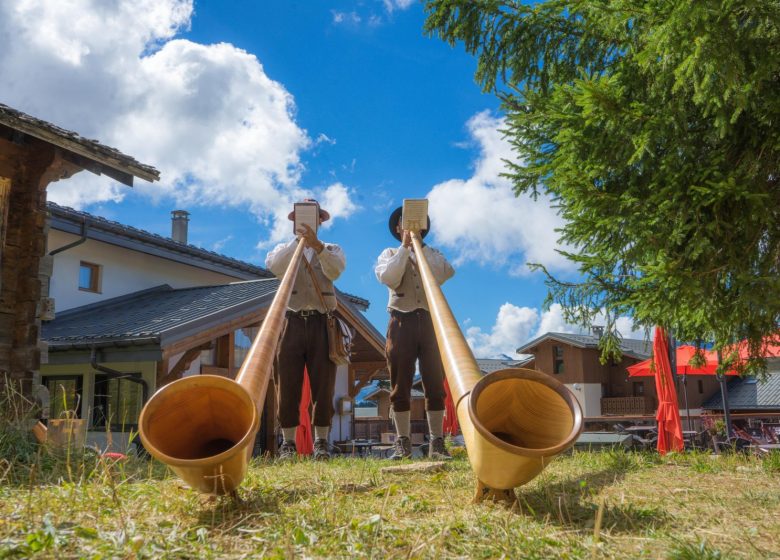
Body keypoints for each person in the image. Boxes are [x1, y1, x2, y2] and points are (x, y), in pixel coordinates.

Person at [266, 199, 346, 460]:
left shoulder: (332, 249)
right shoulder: (285, 249)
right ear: (293, 222)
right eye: (301, 218)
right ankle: (288, 443)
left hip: (323, 321)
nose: (308, 222)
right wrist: (298, 242)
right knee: (287, 382)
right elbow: (275, 267)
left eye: (313, 217)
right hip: (292, 320)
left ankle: (322, 442)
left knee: (324, 385)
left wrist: (317, 246)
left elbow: (336, 271)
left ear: (321, 221)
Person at [375, 205, 455, 460]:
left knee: (435, 382)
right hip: (401, 320)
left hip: (431, 320)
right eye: (404, 223)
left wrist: (420, 246)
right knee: (400, 383)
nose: (408, 228)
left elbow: (444, 272)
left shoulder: (431, 253)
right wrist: (405, 248)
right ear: (398, 229)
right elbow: (390, 277)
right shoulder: (389, 253)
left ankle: (437, 443)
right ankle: (403, 441)